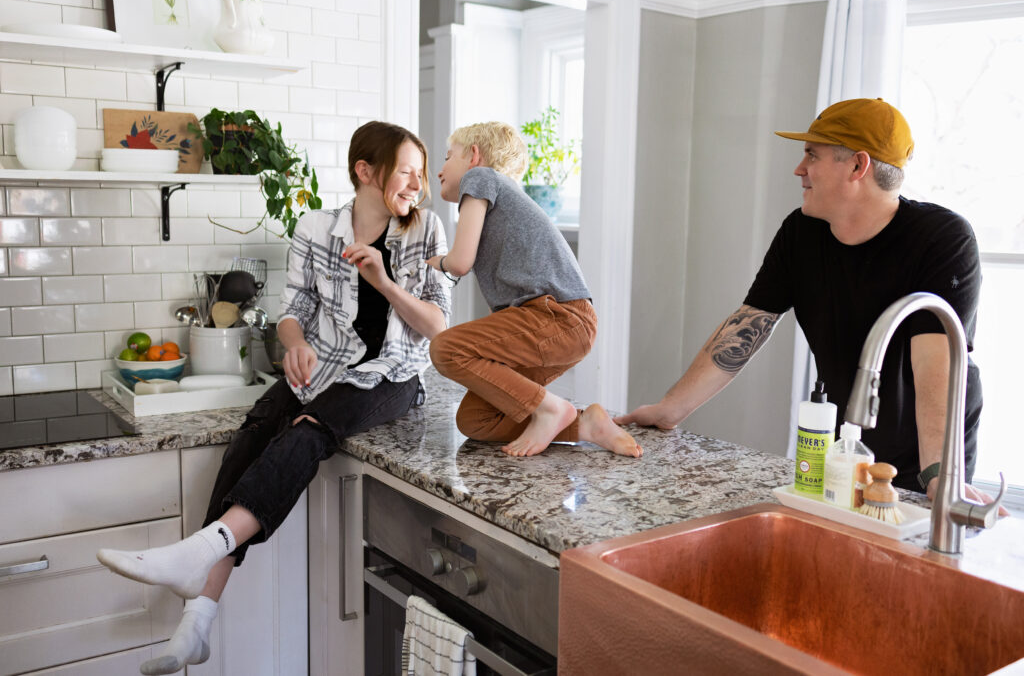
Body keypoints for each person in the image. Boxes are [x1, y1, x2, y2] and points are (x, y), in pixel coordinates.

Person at [96, 121, 451, 675]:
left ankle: (200, 555)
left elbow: (436, 326)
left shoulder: (425, 231)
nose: (417, 183)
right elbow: (293, 312)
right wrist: (293, 345)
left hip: (391, 377)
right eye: (406, 169)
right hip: (325, 368)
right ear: (366, 170)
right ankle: (198, 622)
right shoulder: (315, 227)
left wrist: (384, 281)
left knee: (308, 429)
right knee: (253, 434)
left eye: (421, 172)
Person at [616, 97, 1001, 508]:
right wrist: (671, 408)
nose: (799, 169)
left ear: (857, 166)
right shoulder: (801, 232)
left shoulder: (942, 238)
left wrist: (939, 474)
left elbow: (934, 364)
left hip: (929, 448)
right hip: (849, 439)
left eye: (812, 155)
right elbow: (748, 325)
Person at [427, 121, 641, 458]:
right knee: (476, 420)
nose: (438, 170)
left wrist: (434, 261)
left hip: (557, 318)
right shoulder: (503, 200)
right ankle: (586, 425)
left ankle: (550, 409)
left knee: (446, 349)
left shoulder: (480, 177)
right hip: (563, 325)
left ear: (473, 155)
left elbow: (459, 263)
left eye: (447, 156)